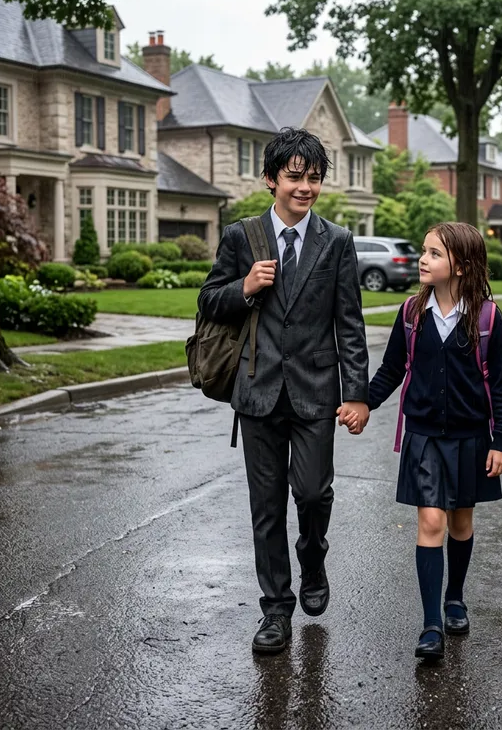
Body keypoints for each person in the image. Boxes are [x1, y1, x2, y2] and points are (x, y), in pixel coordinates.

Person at [199, 127, 370, 654]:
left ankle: (313, 555)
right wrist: (244, 288)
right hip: (257, 390)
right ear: (270, 179)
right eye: (295, 177)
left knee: (314, 493)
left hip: (317, 390)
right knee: (266, 506)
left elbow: (350, 323)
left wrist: (358, 393)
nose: (305, 187)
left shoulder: (337, 241)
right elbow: (209, 301)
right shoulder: (240, 237)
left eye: (314, 178)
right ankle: (275, 609)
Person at [339, 222, 502, 661]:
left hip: (471, 438)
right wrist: (362, 403)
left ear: (462, 265)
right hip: (424, 438)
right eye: (424, 251)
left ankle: (455, 597)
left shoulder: (487, 319)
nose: (423, 259)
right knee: (432, 522)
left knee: (460, 523)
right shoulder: (411, 313)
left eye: (434, 254)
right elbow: (392, 370)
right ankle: (431, 624)